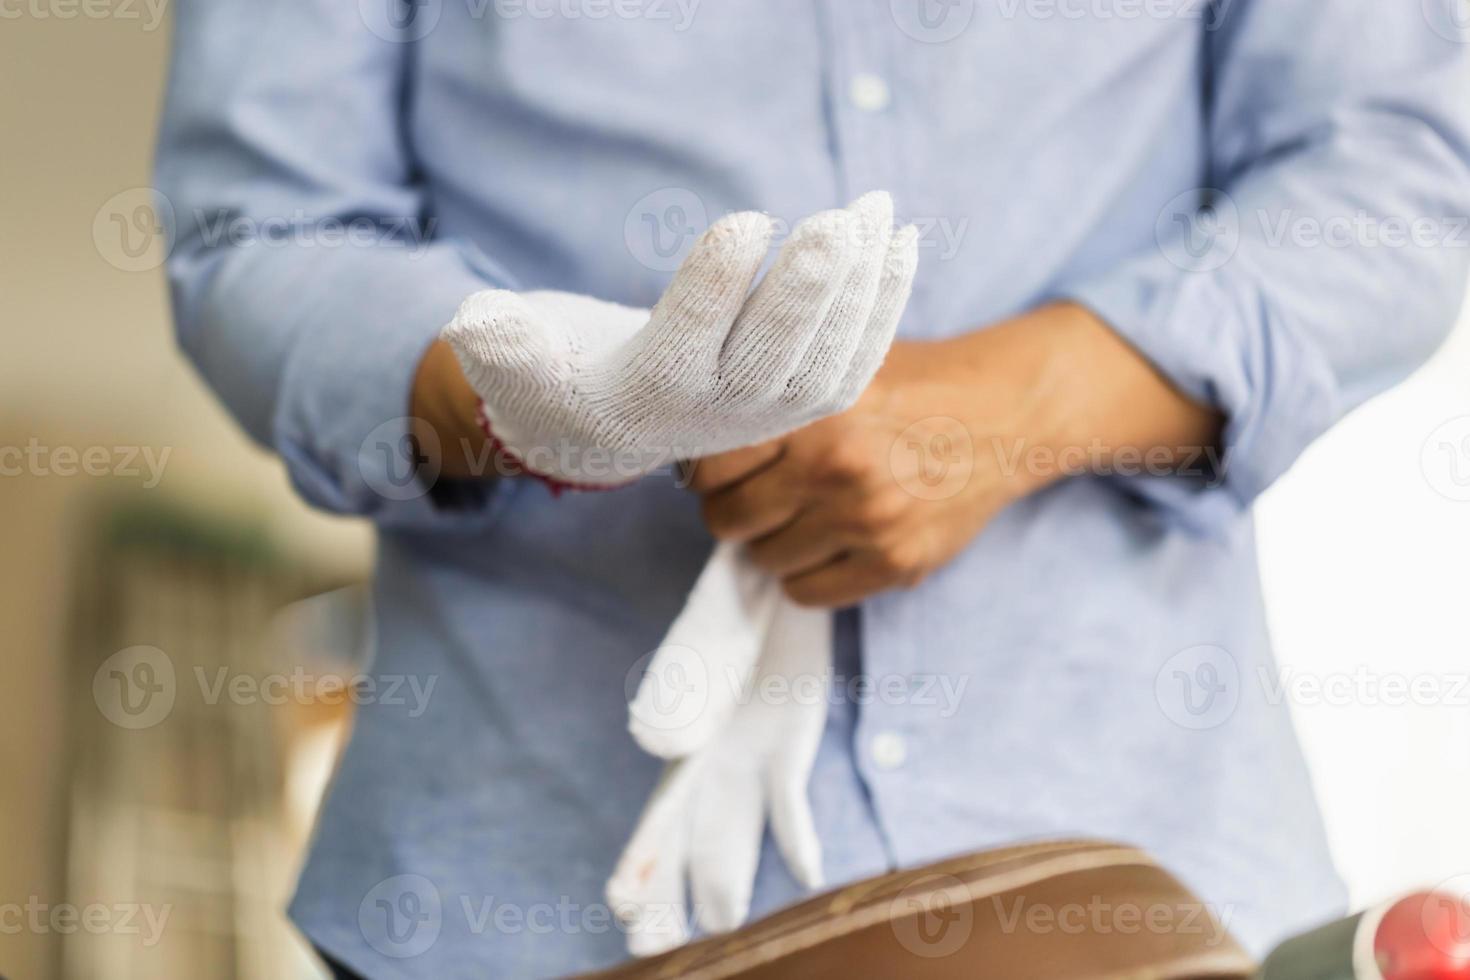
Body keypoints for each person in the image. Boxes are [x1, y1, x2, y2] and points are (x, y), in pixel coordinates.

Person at [154, 2, 1470, 976]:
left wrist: (1016, 412)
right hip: (516, 895)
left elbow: (1391, 179)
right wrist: (539, 396)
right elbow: (259, 236)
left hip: (1147, 866)